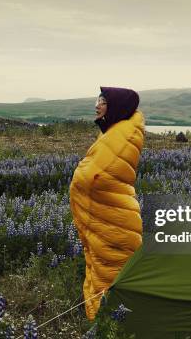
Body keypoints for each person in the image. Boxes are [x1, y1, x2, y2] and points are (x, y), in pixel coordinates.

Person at [69, 86, 145, 321]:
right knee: (99, 268)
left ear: (116, 108)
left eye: (102, 101)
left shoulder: (123, 135)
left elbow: (96, 176)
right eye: (97, 100)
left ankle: (110, 326)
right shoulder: (113, 132)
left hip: (116, 220)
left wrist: (79, 175)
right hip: (110, 216)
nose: (96, 105)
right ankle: (102, 324)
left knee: (111, 275)